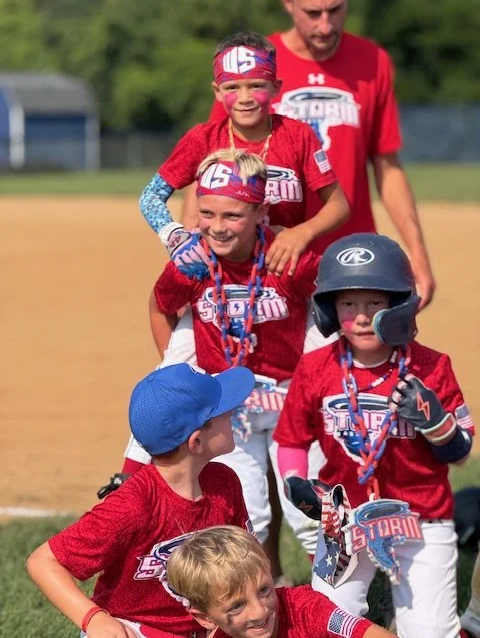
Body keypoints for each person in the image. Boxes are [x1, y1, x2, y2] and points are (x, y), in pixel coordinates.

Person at [126, 149, 327, 575]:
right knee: (245, 520)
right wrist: (181, 372)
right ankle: (259, 601)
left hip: (290, 403)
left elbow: (334, 307)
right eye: (207, 213)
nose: (217, 227)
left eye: (233, 215)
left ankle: (339, 601)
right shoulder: (192, 262)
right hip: (230, 410)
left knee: (312, 517)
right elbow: (161, 307)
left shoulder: (287, 258)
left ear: (261, 212)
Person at [272, 232, 474, 637]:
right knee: (327, 622)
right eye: (348, 304)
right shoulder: (315, 367)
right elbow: (292, 439)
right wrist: (296, 482)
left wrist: (436, 422)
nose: (361, 317)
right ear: (330, 309)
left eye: (374, 303)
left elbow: (461, 452)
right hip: (344, 518)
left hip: (420, 518)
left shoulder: (432, 366)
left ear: (399, 305)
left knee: (429, 633)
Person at [199, 0, 435, 309]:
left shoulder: (372, 61)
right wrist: (196, 253)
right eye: (313, 13)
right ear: (288, 3)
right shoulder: (252, 62)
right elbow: (210, 164)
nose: (325, 26)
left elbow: (388, 167)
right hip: (266, 259)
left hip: (350, 257)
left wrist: (418, 254)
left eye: (335, 10)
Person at [26, 363, 256, 638]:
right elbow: (43, 561)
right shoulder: (135, 504)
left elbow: (244, 563)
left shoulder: (224, 482)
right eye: (222, 412)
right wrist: (94, 619)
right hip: (132, 628)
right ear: (196, 442)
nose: (232, 413)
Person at [140, 30, 349, 280]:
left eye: (256, 85)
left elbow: (339, 205)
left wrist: (301, 233)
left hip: (282, 276)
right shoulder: (202, 139)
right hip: (216, 279)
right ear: (217, 91)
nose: (245, 98)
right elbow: (151, 196)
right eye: (232, 88)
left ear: (275, 87)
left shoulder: (298, 136)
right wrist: (175, 237)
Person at [166, 525, 396, 638]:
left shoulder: (306, 609)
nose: (260, 611)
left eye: (264, 590)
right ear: (205, 618)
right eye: (237, 606)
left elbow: (365, 633)